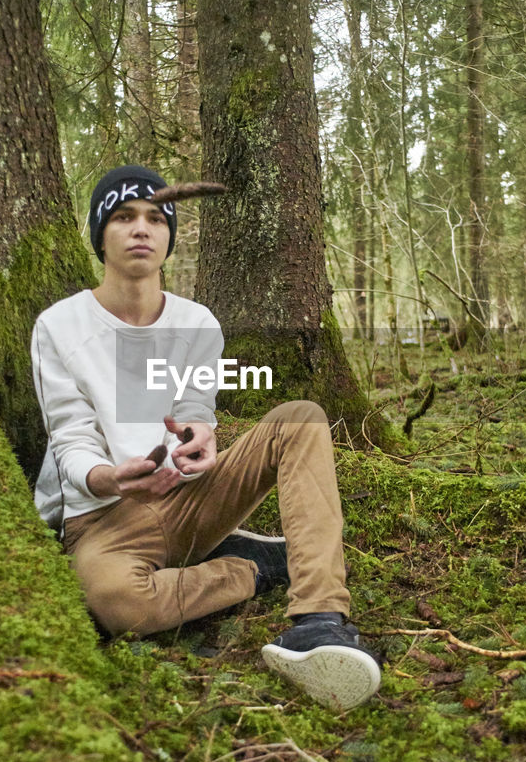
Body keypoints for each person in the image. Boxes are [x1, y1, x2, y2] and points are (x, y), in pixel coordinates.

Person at [31, 164, 381, 710]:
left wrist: (202, 433)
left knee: (302, 417)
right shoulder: (60, 326)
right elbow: (70, 436)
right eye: (124, 217)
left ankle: (319, 621)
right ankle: (257, 566)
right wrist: (111, 478)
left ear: (169, 235)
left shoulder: (196, 323)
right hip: (102, 520)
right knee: (115, 603)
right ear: (101, 233)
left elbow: (194, 407)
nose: (141, 229)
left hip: (188, 496)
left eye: (155, 218)